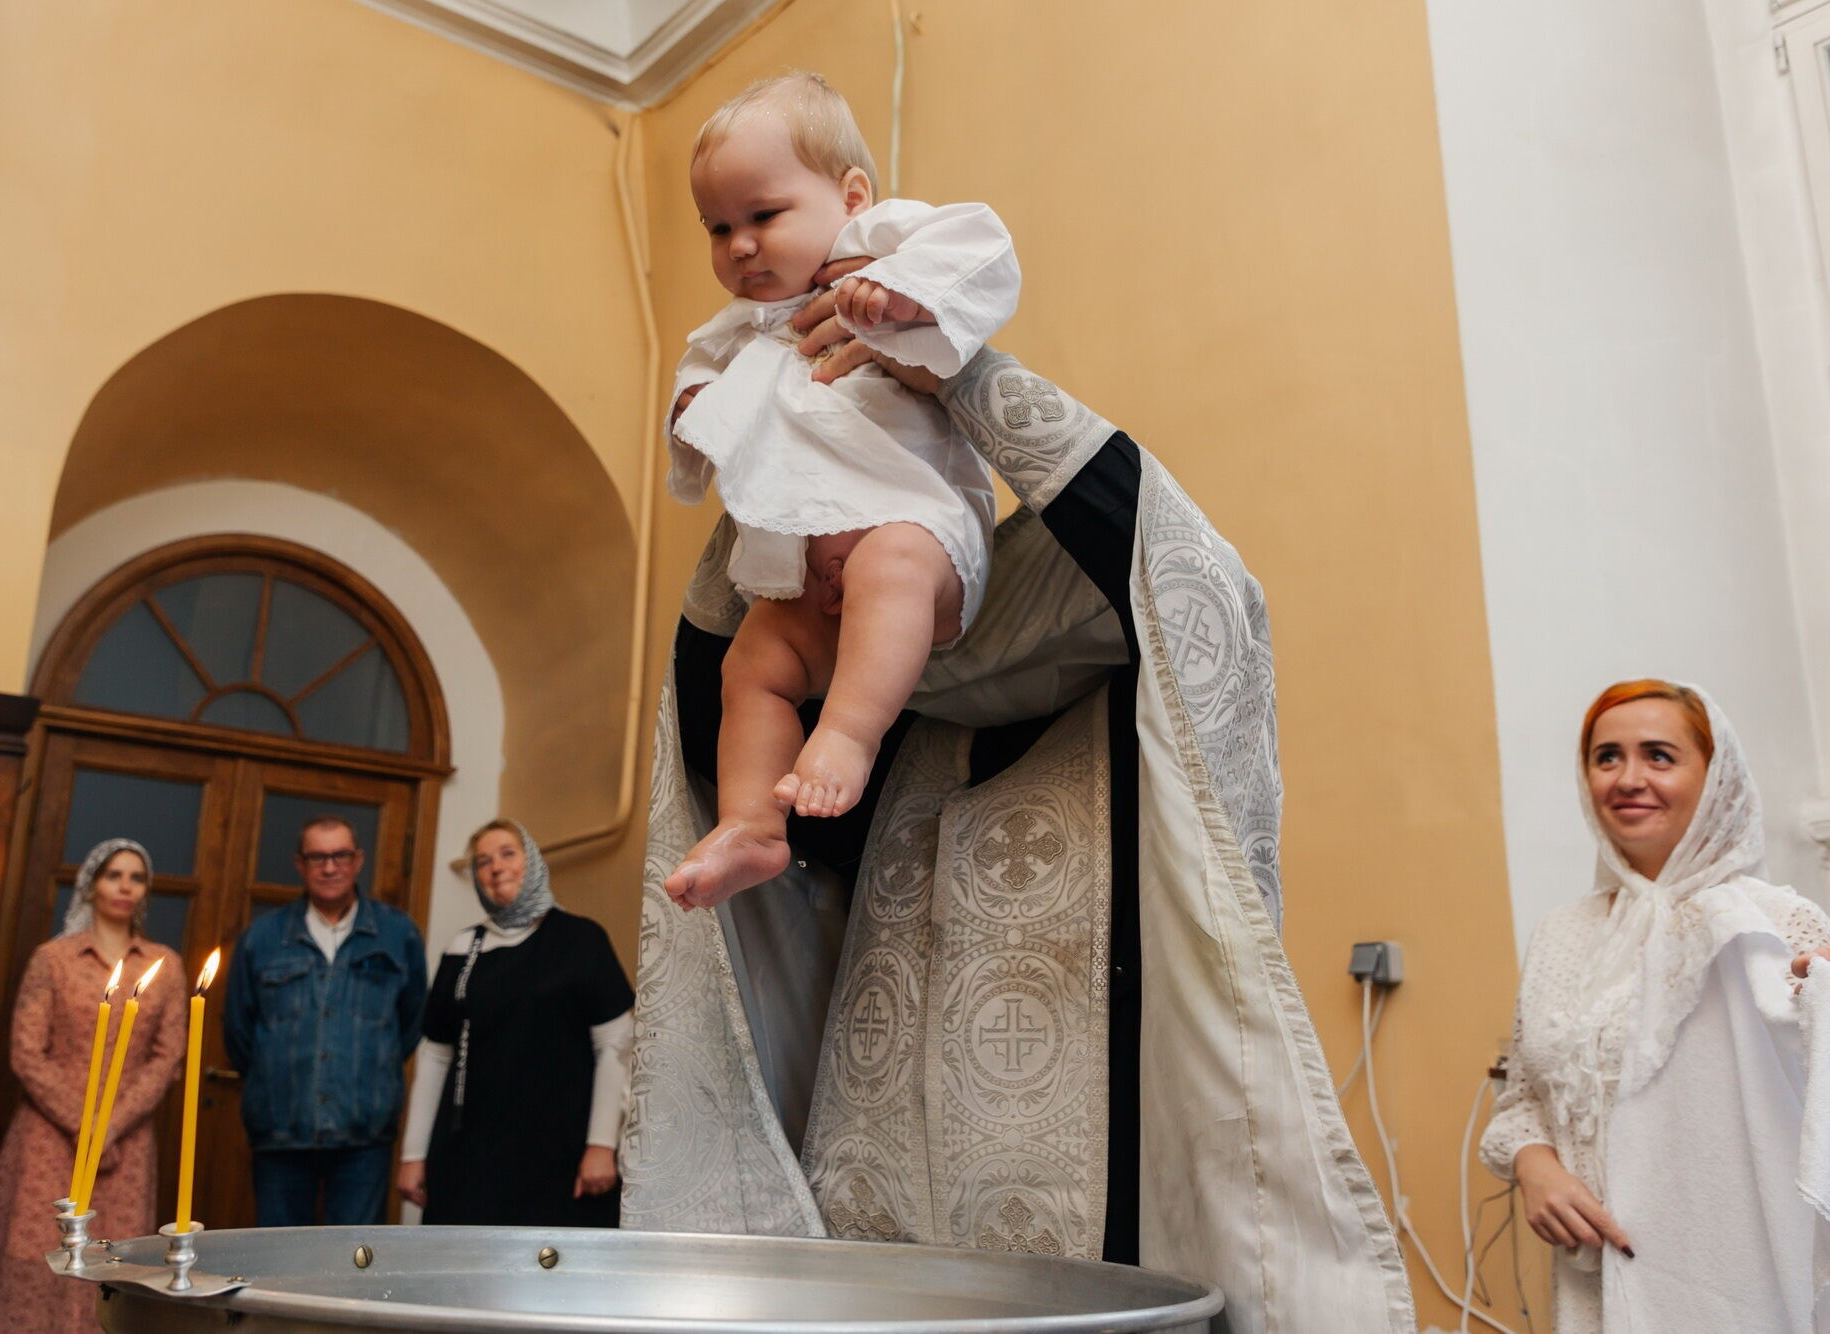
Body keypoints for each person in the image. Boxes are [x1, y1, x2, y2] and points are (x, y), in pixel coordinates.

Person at [626, 297, 1415, 1331]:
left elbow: (1173, 560)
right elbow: (718, 699)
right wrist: (785, 444)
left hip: (1098, 1181)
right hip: (878, 1177)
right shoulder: (887, 711)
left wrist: (960, 375)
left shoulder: (1141, 725)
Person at [662, 71, 1020, 907]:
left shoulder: (887, 243)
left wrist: (901, 292)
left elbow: (985, 249)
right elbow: (696, 390)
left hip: (914, 531)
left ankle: (848, 737)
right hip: (801, 568)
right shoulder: (731, 331)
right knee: (753, 666)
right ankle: (752, 825)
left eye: (763, 215)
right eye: (718, 227)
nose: (740, 245)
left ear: (850, 195)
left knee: (891, 560)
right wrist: (687, 408)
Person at [1480, 680, 1830, 1332]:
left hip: (1736, 1283)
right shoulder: (1563, 934)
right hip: (1597, 1281)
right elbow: (1526, 1096)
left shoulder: (1775, 921)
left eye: (1659, 756)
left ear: (1715, 777)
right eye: (1606, 757)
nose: (1627, 778)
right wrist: (1535, 1166)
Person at [0, 840, 186, 1334]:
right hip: (48, 1137)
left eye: (137, 877)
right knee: (36, 1253)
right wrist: (84, 1122)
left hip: (126, 1142)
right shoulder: (54, 958)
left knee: (113, 1261)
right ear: (91, 884)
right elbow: (25, 1051)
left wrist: (111, 1124)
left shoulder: (163, 965)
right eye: (114, 875)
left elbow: (168, 1056)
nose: (126, 886)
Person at [395, 819, 634, 1226]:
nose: (495, 867)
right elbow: (435, 1056)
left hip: (562, 1151)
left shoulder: (581, 940)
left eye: (508, 853)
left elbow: (615, 1046)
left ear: (534, 862)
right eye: (482, 862)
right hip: (471, 1150)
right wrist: (413, 1155)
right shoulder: (462, 948)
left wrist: (601, 1145)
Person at [223, 815, 427, 1226]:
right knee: (279, 1265)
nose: (330, 867)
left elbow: (411, 1024)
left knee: (352, 1265)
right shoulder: (262, 939)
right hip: (280, 1131)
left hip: (365, 1136)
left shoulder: (397, 934)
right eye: (318, 857)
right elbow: (239, 1033)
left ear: (358, 860)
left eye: (340, 855)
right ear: (300, 864)